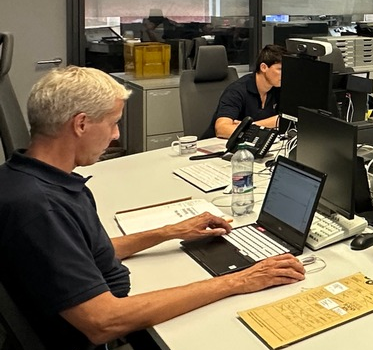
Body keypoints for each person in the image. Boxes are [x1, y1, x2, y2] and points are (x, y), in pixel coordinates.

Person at [0, 66, 304, 350]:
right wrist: (238, 280)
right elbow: (104, 321)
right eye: (113, 122)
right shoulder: (41, 208)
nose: (117, 134)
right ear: (81, 124)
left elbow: (88, 252)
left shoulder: (29, 177)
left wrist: (170, 232)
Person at [205, 44, 285, 139]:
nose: (285, 73)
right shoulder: (236, 91)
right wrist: (270, 123)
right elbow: (222, 129)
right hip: (218, 147)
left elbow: (287, 121)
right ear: (263, 67)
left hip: (251, 142)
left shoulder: (278, 88)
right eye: (280, 69)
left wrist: (250, 126)